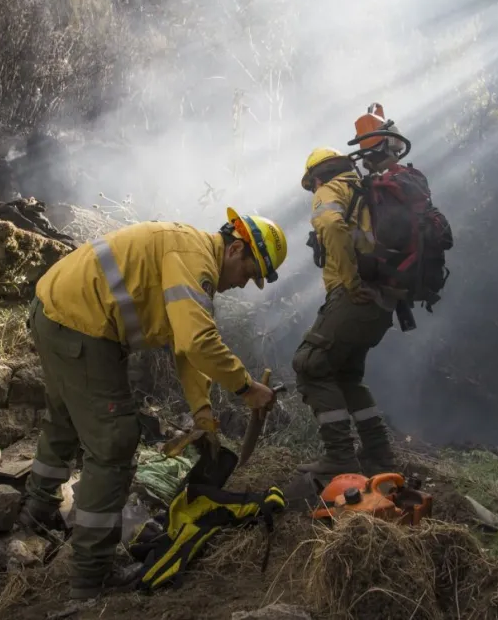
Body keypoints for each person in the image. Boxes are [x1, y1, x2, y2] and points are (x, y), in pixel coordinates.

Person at [20, 208, 288, 600]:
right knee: (114, 444)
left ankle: (37, 511)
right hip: (82, 325)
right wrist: (247, 388)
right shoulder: (195, 260)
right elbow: (198, 341)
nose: (242, 284)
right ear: (235, 250)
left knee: (64, 419)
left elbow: (184, 347)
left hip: (56, 312)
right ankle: (92, 576)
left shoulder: (189, 252)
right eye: (248, 273)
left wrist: (202, 412)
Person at [293, 129, 405, 476]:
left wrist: (350, 281)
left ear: (317, 177)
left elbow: (330, 224)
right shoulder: (366, 191)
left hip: (355, 294)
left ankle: (340, 457)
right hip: (383, 301)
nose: (313, 190)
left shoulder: (331, 189)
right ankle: (379, 454)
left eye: (311, 185)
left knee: (310, 364)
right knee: (346, 374)